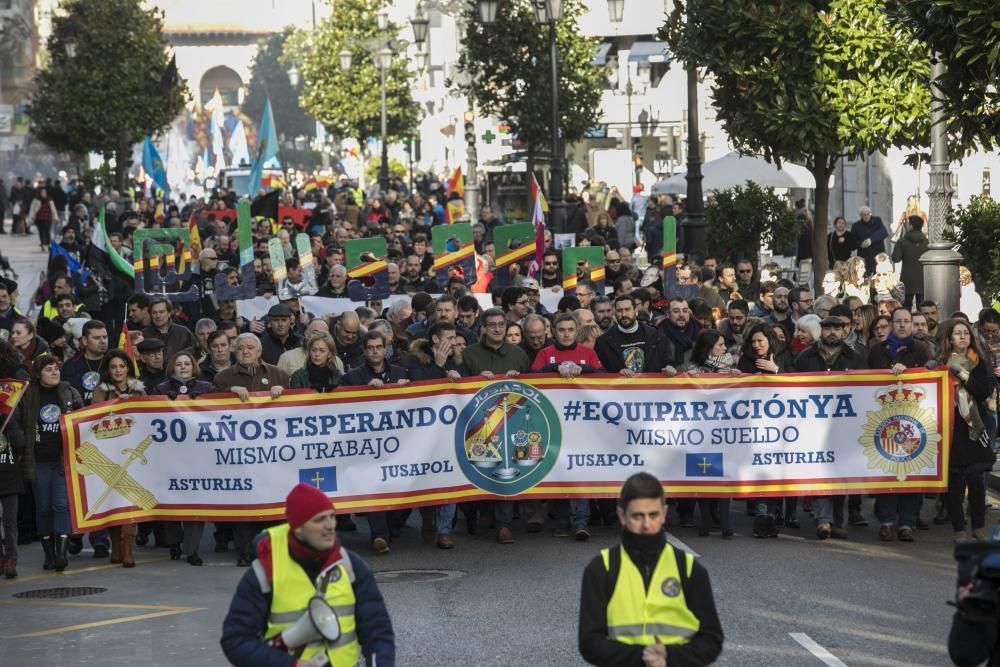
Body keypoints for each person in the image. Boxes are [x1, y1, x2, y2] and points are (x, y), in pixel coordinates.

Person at [220, 483, 395, 666]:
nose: (330, 526)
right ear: (298, 528)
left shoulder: (351, 565)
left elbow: (377, 632)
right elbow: (235, 641)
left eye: (332, 517)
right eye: (319, 520)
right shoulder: (264, 571)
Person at [578, 472, 724, 666]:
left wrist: (669, 657)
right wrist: (642, 657)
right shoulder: (601, 569)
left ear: (664, 513)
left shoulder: (689, 569)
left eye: (653, 515)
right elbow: (589, 642)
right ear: (622, 515)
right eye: (638, 516)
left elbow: (712, 639)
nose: (647, 525)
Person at [214, 333, 289, 566]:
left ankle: (275, 551)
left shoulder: (279, 374)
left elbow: (297, 408)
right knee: (244, 503)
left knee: (274, 500)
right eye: (240, 348)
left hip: (272, 452)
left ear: (259, 352)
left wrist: (283, 394)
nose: (245, 351)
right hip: (239, 453)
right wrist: (228, 395)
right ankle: (245, 552)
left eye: (250, 348)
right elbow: (209, 412)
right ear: (234, 352)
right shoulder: (223, 378)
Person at [6, 354, 83, 572]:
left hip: (62, 460)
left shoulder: (69, 391)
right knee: (43, 507)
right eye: (49, 369)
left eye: (57, 368)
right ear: (39, 373)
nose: (55, 372)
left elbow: (83, 417)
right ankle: (49, 554)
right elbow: (13, 421)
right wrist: (22, 442)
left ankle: (61, 554)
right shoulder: (27, 394)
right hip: (38, 460)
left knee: (61, 505)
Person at [794, 316, 868, 539]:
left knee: (841, 473)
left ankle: (837, 520)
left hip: (844, 425)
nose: (832, 333)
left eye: (837, 328)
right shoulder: (805, 356)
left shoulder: (855, 357)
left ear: (845, 331)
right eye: (827, 329)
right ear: (821, 330)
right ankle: (823, 519)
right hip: (813, 424)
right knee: (819, 470)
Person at [867, 307, 932, 541]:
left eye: (907, 322)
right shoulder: (877, 350)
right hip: (884, 418)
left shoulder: (922, 349)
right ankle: (886, 521)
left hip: (913, 419)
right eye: (899, 321)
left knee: (911, 472)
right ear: (891, 323)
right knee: (887, 470)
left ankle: (907, 522)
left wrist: (912, 372)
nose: (903, 325)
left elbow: (930, 375)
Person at [153, 351, 214, 565]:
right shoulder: (161, 389)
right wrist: (162, 402)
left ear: (193, 366)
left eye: (187, 363)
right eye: (178, 364)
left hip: (199, 457)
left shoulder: (206, 387)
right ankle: (174, 543)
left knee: (195, 503)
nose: (183, 367)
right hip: (170, 456)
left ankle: (192, 550)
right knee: (172, 501)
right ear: (172, 367)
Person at [938, 318, 996, 542]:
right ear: (949, 338)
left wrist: (962, 374)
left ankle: (979, 526)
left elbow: (982, 392)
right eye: (957, 333)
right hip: (950, 425)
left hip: (973, 424)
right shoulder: (940, 361)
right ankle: (959, 528)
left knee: (975, 480)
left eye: (966, 333)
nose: (962, 336)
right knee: (955, 481)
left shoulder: (979, 361)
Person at [92, 349, 146, 567]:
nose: (118, 371)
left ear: (128, 367)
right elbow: (93, 418)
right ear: (108, 369)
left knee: (130, 503)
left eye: (122, 366)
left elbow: (147, 419)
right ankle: (116, 547)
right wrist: (114, 405)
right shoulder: (101, 391)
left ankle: (128, 550)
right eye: (113, 367)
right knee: (113, 503)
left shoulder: (139, 390)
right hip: (109, 455)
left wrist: (131, 402)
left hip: (133, 456)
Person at [891, 215, 928, 308]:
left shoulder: (902, 241)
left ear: (911, 226)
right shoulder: (927, 242)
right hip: (923, 279)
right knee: (922, 307)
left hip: (907, 280)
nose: (906, 225)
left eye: (907, 223)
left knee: (906, 306)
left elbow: (896, 258)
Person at [851, 206, 889, 275]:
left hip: (878, 255)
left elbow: (884, 233)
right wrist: (861, 245)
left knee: (880, 276)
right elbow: (853, 243)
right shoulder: (856, 226)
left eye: (869, 214)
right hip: (865, 256)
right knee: (865, 277)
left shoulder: (877, 220)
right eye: (864, 215)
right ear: (861, 216)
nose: (867, 216)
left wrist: (870, 240)